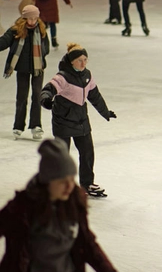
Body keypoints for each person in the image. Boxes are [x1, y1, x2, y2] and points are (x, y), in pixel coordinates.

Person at [0, 138, 122, 272]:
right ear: (47, 181)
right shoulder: (22, 208)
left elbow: (86, 242)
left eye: (72, 179)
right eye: (62, 181)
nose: (70, 186)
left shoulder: (74, 203)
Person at [40, 43, 117, 198]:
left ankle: (87, 184)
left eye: (85, 60)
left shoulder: (87, 75)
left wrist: (105, 112)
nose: (83, 63)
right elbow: (46, 91)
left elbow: (95, 96)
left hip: (81, 120)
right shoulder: (62, 77)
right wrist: (47, 101)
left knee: (87, 153)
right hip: (63, 121)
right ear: (72, 61)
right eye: (80, 60)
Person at [0, 5, 50, 141]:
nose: (33, 21)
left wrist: (40, 54)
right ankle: (18, 126)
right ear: (24, 17)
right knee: (21, 97)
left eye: (35, 17)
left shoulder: (41, 29)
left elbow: (46, 47)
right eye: (30, 18)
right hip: (22, 68)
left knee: (37, 95)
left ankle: (36, 125)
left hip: (38, 69)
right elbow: (3, 43)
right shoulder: (16, 30)